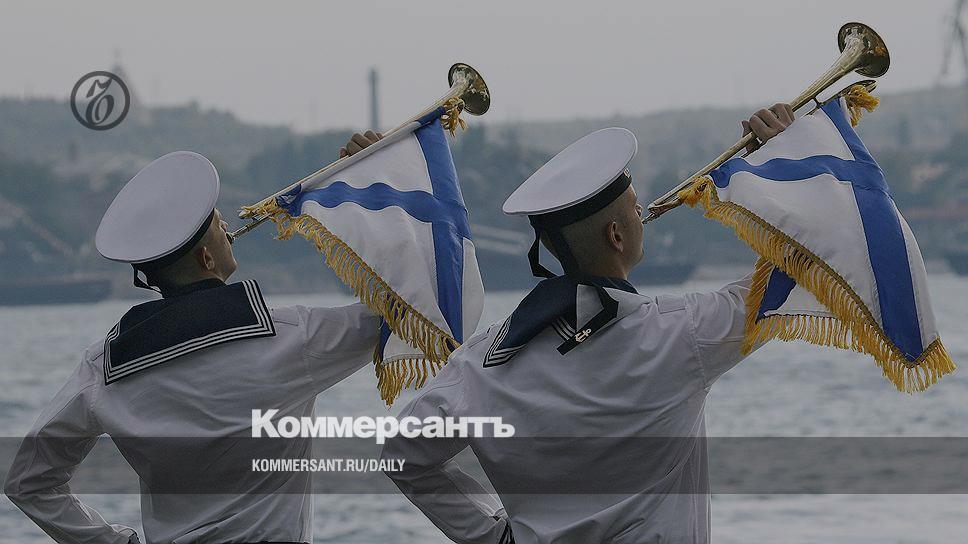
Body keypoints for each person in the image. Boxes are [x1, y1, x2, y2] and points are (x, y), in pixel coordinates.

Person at [377, 106, 795, 543]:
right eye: (635, 207)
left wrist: (495, 536)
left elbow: (404, 455)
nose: (643, 213)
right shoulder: (681, 333)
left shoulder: (479, 364)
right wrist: (788, 167)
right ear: (616, 235)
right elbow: (797, 270)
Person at [4, 146, 385, 544]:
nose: (228, 227)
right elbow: (403, 311)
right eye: (220, 225)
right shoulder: (290, 336)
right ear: (207, 259)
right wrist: (378, 186)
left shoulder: (102, 367)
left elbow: (28, 482)